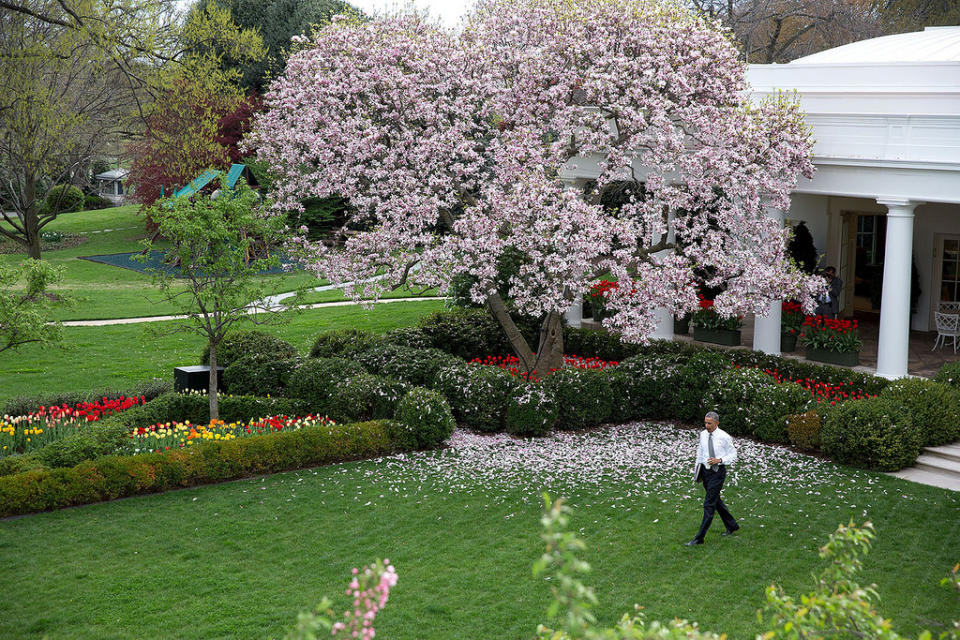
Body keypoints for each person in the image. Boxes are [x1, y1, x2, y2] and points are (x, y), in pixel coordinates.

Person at [685, 411, 739, 546]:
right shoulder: (703, 435)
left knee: (709, 504)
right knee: (716, 500)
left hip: (718, 473)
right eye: (705, 423)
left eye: (710, 423)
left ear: (717, 423)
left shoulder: (724, 437)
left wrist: (719, 460)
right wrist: (697, 471)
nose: (707, 425)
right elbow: (700, 452)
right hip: (706, 472)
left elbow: (733, 455)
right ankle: (732, 525)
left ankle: (699, 538)